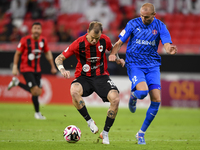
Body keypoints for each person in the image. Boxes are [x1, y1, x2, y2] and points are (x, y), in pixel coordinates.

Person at [109, 3, 177, 145]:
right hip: (135, 64)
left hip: (152, 65)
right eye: (141, 15)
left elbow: (166, 43)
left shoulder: (160, 26)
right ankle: (134, 96)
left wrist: (169, 49)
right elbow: (120, 41)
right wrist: (113, 53)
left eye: (146, 17)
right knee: (142, 93)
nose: (143, 18)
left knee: (157, 100)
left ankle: (141, 133)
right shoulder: (133, 24)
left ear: (154, 15)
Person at [55, 21, 124, 144]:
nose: (94, 41)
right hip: (83, 77)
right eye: (92, 37)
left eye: (96, 38)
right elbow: (59, 58)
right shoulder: (78, 43)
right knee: (74, 91)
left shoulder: (105, 40)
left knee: (116, 100)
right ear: (87, 32)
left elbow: (112, 49)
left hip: (101, 77)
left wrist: (117, 59)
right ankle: (89, 121)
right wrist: (62, 69)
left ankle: (105, 133)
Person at [7, 22, 57, 120]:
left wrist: (53, 66)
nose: (36, 30)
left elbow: (47, 53)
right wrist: (15, 66)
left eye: (38, 28)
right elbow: (17, 53)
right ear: (31, 30)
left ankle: (17, 83)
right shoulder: (25, 40)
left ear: (41, 31)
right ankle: (37, 113)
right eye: (35, 28)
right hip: (26, 68)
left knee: (38, 92)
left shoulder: (43, 40)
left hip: (37, 69)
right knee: (34, 91)